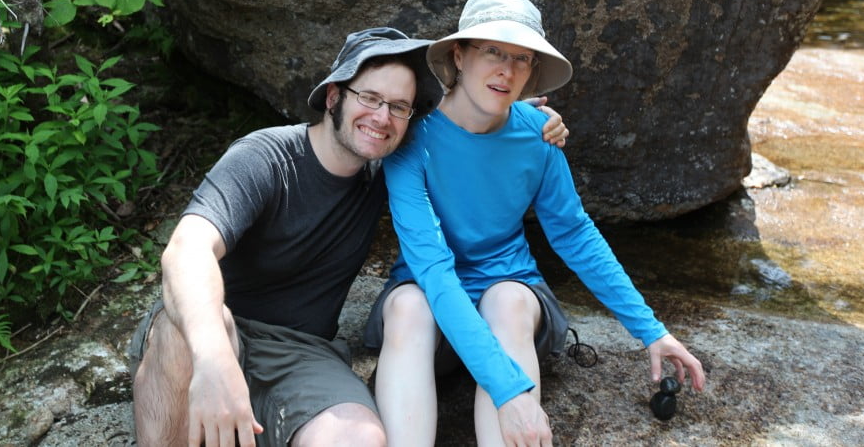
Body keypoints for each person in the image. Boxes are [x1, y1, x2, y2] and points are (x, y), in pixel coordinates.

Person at [129, 26, 569, 447]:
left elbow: (465, 142)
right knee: (193, 333)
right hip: (213, 331)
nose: (382, 118)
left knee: (361, 437)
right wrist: (214, 360)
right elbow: (187, 251)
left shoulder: (386, 170)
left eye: (399, 106)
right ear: (334, 96)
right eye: (370, 98)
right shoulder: (264, 157)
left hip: (301, 353)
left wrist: (527, 122)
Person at [365, 0, 707, 447]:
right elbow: (432, 268)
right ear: (459, 55)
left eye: (521, 59)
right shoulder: (411, 142)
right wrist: (511, 392)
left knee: (506, 299)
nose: (506, 70)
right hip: (430, 311)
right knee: (411, 306)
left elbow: (574, 233)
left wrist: (651, 330)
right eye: (492, 51)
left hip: (511, 304)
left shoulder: (538, 134)